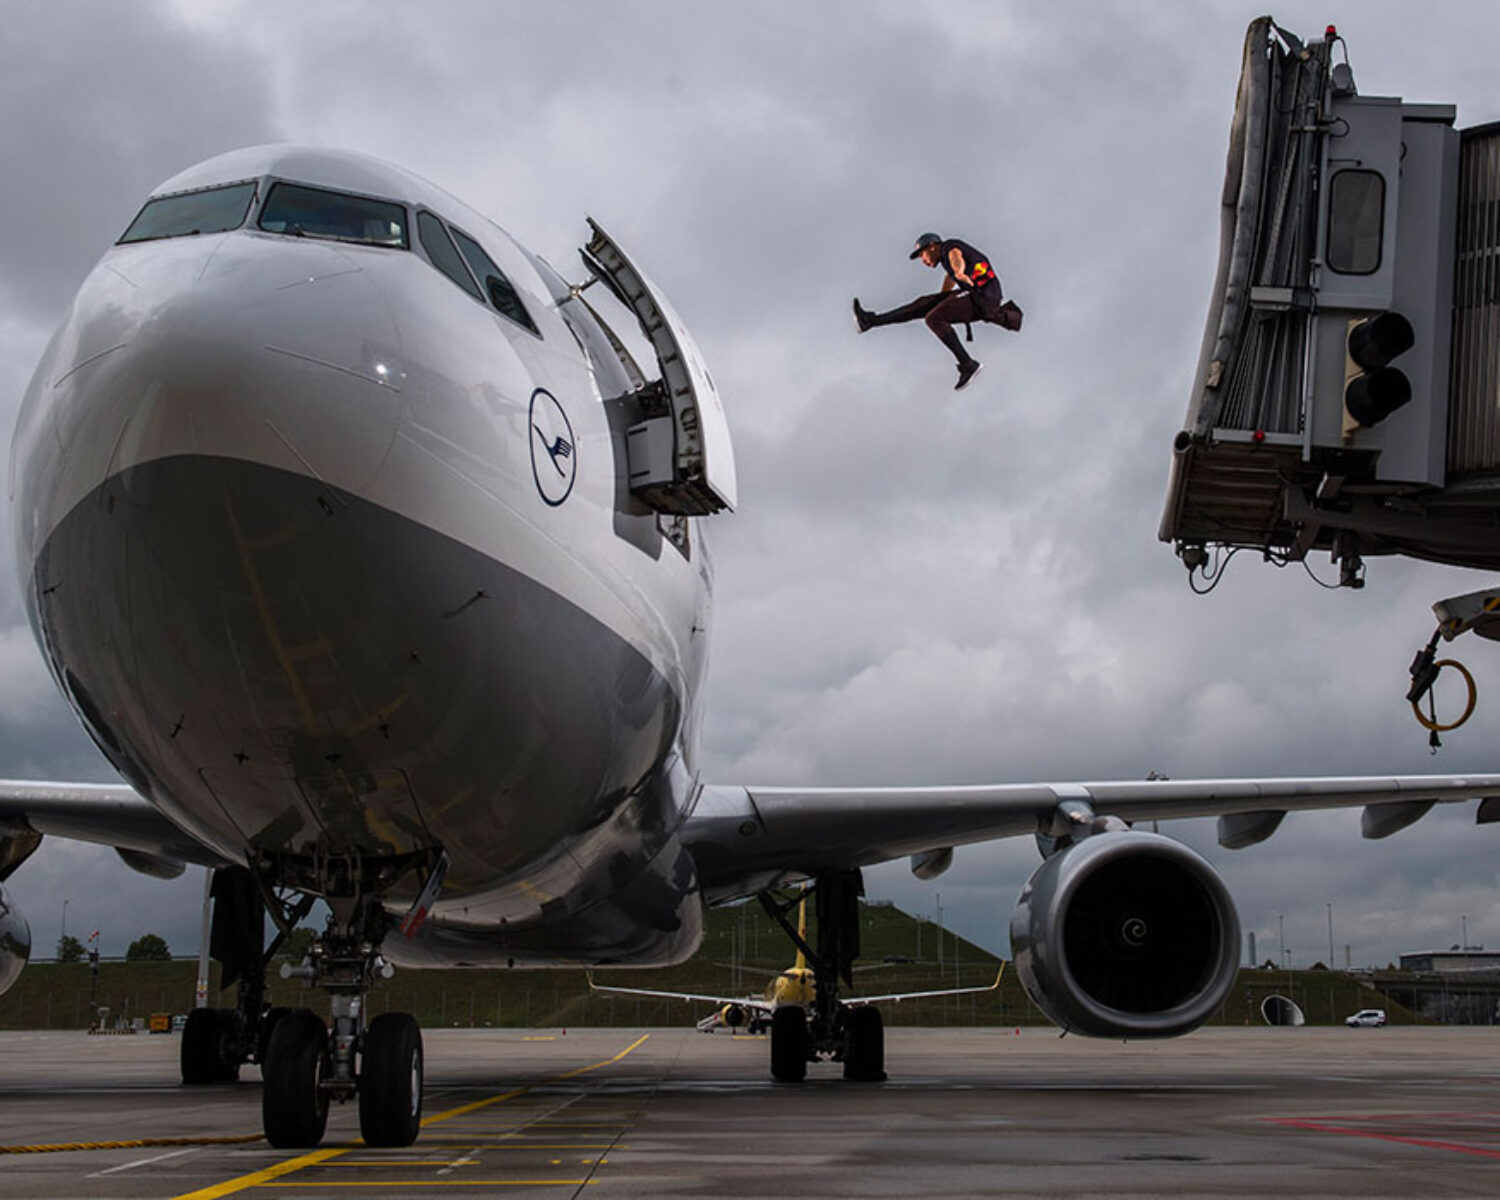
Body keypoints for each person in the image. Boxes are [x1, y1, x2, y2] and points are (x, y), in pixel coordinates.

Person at [853, 232, 1021, 390]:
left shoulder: (949, 247)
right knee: (923, 304)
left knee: (933, 318)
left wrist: (959, 271)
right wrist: (941, 299)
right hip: (977, 295)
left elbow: (956, 256)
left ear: (932, 247)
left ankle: (968, 365)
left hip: (983, 297)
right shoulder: (946, 260)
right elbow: (950, 277)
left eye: (922, 255)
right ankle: (870, 321)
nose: (923, 261)